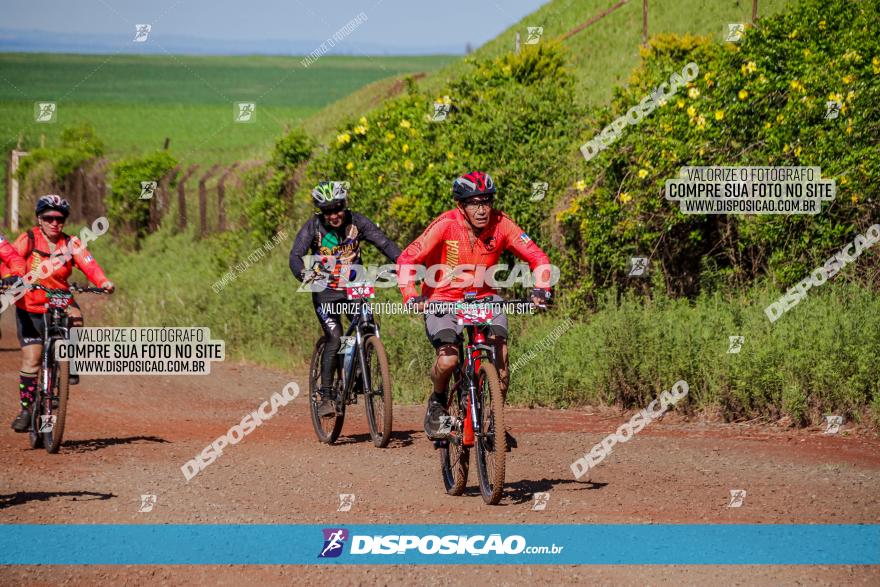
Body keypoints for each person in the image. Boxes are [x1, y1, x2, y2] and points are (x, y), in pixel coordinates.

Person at [396, 171, 552, 444]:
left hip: (484, 298)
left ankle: (494, 420)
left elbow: (537, 257)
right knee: (448, 360)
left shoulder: (502, 224)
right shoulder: (445, 225)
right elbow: (407, 259)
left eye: (486, 202)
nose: (481, 210)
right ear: (461, 206)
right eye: (473, 203)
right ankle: (438, 401)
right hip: (442, 299)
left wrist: (542, 289)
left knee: (500, 360)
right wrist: (411, 295)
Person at [289, 182, 401, 417]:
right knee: (336, 336)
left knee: (367, 325)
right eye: (328, 210)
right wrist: (304, 273)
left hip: (353, 285)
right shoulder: (314, 226)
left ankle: (360, 372)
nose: (334, 215)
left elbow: (384, 243)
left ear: (344, 204)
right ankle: (327, 395)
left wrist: (403, 264)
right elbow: (296, 255)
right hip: (325, 290)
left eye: (338, 208)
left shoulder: (357, 222)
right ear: (320, 211)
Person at [8, 195, 114, 432]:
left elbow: (89, 264)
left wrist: (103, 281)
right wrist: (9, 279)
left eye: (60, 219)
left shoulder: (72, 244)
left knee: (76, 318)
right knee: (32, 360)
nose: (54, 223)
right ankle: (26, 410)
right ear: (40, 219)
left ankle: (71, 364)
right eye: (49, 218)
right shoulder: (29, 238)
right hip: (30, 304)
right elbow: (10, 259)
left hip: (59, 298)